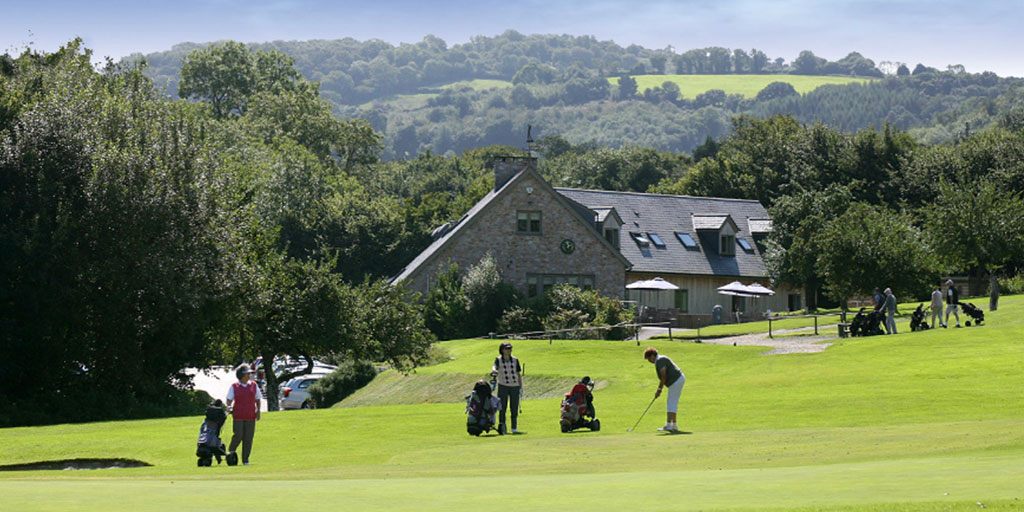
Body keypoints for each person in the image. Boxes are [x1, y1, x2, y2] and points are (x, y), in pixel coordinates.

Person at [225, 363, 262, 465]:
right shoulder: (234, 386)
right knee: (238, 435)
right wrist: (229, 406)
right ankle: (230, 453)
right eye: (247, 374)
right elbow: (229, 399)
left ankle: (245, 459)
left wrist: (258, 411)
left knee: (248, 438)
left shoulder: (254, 385)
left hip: (250, 415)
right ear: (241, 375)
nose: (249, 376)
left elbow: (257, 398)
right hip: (238, 415)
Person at [644, 347, 684, 432]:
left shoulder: (660, 360)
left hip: (676, 380)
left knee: (671, 402)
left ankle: (669, 425)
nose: (649, 361)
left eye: (648, 358)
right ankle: (674, 425)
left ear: (652, 356)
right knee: (672, 402)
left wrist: (659, 390)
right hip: (678, 380)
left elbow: (663, 377)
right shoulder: (659, 360)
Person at [491, 341, 522, 434]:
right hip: (503, 386)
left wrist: (520, 387)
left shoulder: (515, 360)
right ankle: (502, 427)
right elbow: (494, 367)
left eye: (510, 349)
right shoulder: (498, 359)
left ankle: (514, 427)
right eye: (506, 349)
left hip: (514, 386)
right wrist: (494, 371)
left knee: (514, 407)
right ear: (502, 350)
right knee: (502, 407)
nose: (508, 351)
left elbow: (518, 374)